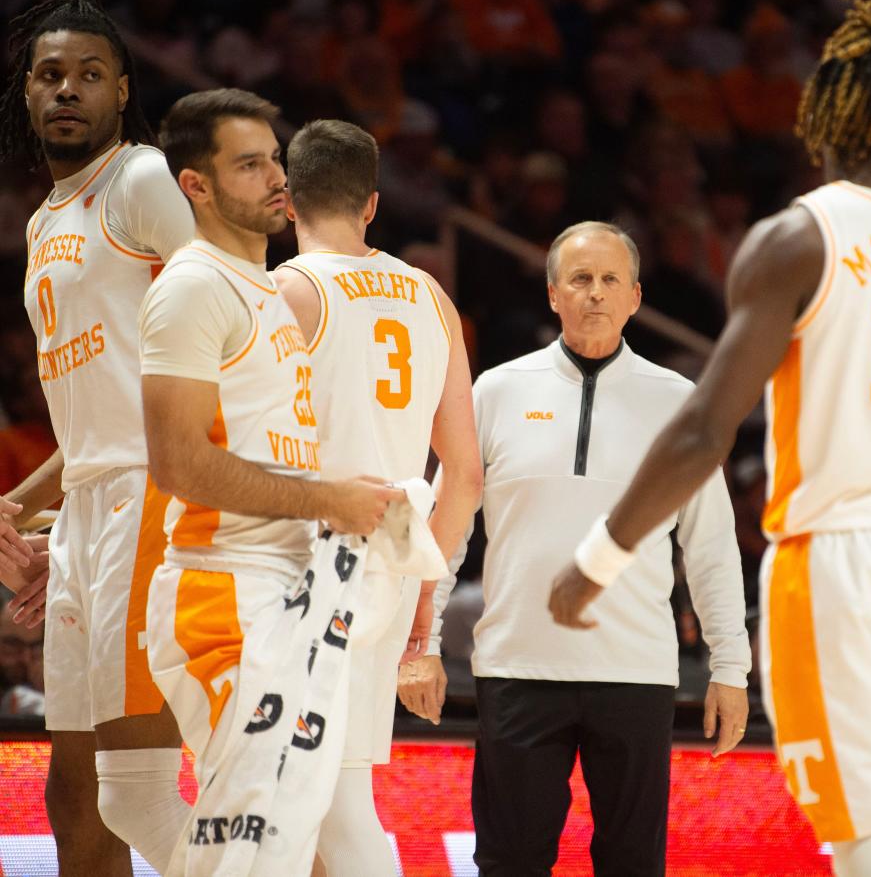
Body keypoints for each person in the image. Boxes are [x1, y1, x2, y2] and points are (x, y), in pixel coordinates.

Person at [548, 0, 871, 877]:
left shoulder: (797, 237)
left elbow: (702, 429)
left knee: (864, 841)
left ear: (817, 126)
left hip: (837, 558)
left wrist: (600, 557)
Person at [404, 220, 751, 875]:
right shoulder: (494, 391)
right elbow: (447, 525)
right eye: (580, 279)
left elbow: (709, 546)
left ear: (635, 296)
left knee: (631, 863)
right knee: (508, 861)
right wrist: (417, 644)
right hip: (517, 668)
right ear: (552, 293)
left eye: (609, 279)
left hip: (636, 673)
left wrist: (730, 666)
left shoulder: (680, 402)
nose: (595, 292)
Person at [138, 88, 402, 875]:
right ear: (197, 185)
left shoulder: (266, 288)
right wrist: (328, 499)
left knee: (287, 845)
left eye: (274, 159)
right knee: (246, 851)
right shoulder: (192, 287)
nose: (275, 177)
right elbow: (179, 460)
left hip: (279, 588)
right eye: (248, 165)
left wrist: (338, 494)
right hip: (220, 596)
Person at [0, 0, 196, 875]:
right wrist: (21, 503)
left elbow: (235, 317)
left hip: (153, 496)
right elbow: (91, 412)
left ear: (122, 91)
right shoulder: (44, 221)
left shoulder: (143, 178)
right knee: (74, 797)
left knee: (139, 793)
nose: (67, 90)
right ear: (27, 95)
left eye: (88, 75)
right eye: (49, 76)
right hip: (88, 507)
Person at [273, 118, 483, 877]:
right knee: (327, 793)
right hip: (394, 553)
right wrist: (425, 590)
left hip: (304, 560)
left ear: (285, 199)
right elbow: (464, 474)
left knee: (318, 797)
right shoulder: (429, 294)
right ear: (371, 205)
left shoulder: (282, 292)